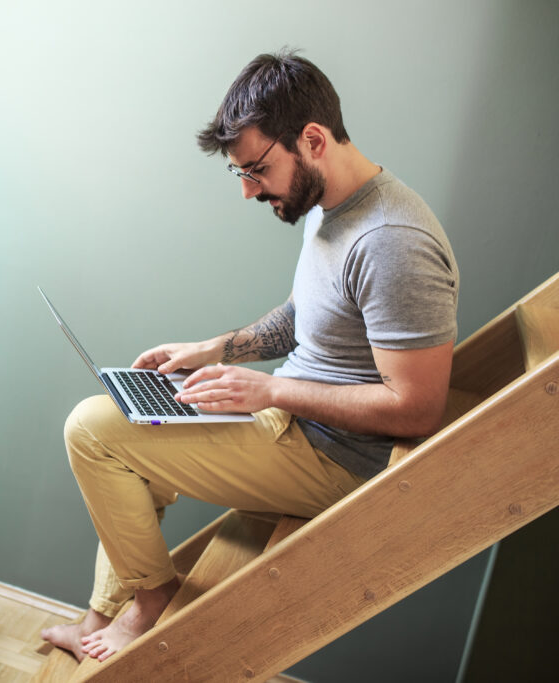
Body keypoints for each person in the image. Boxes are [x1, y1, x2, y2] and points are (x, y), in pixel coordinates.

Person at [40, 49, 459, 663]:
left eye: (256, 170)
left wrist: (269, 391)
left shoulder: (392, 243)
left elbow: (417, 410)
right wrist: (216, 348)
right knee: (133, 420)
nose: (247, 190)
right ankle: (101, 615)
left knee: (91, 431)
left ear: (312, 140)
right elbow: (303, 317)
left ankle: (151, 600)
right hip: (290, 423)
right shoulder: (334, 208)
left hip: (334, 461)